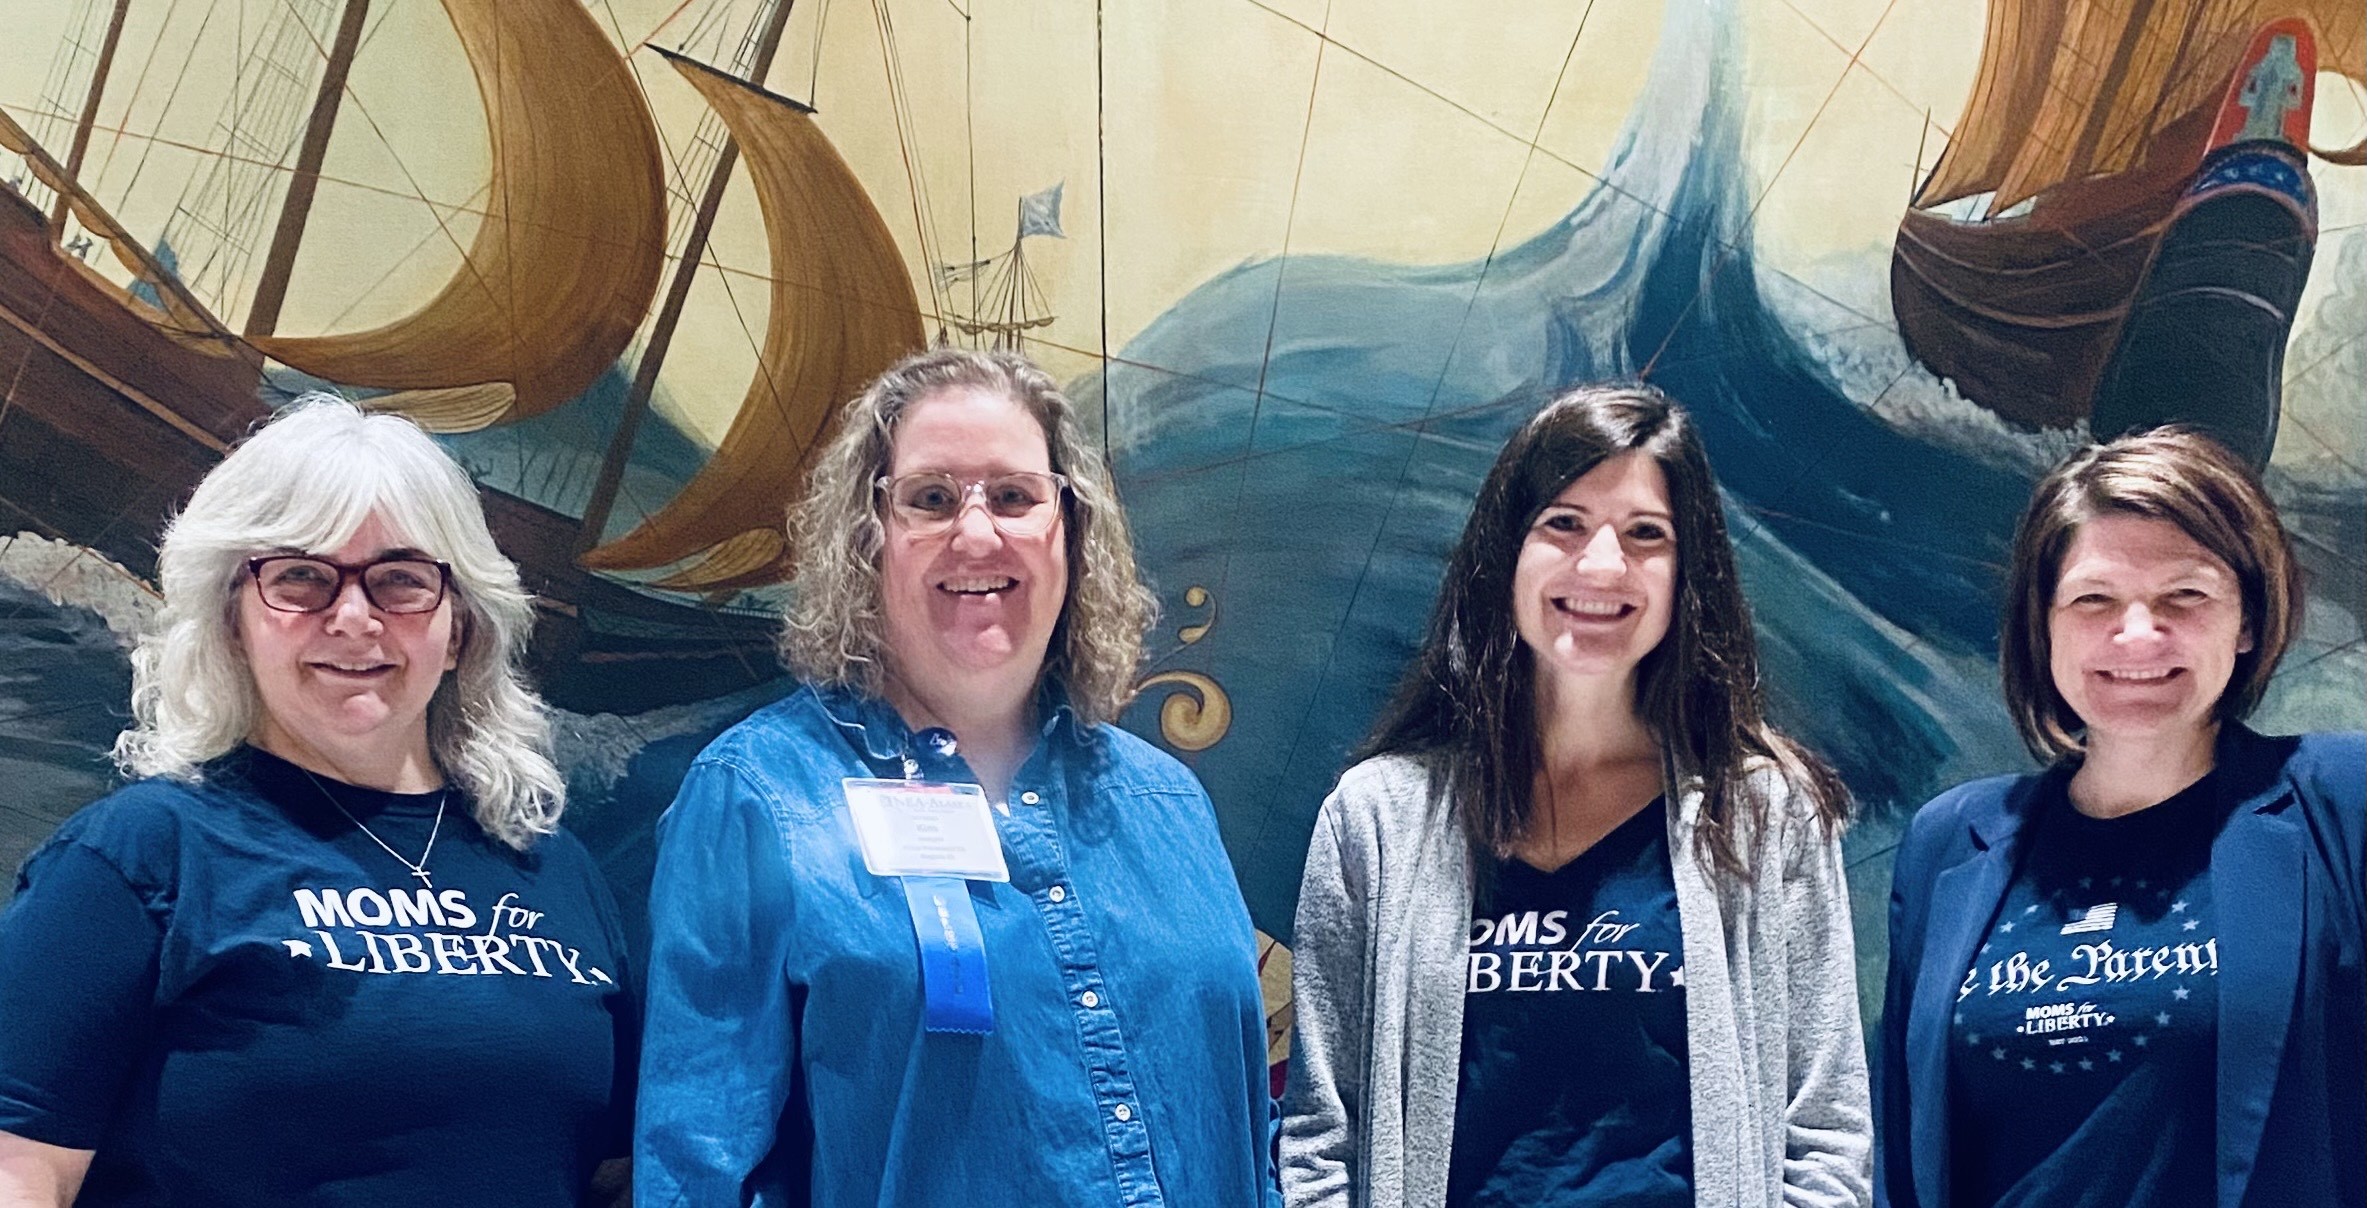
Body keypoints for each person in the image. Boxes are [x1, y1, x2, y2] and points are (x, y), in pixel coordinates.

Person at [633, 348, 1279, 1206]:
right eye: (931, 499)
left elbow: (1247, 1141)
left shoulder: (1166, 803)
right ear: (867, 537)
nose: (976, 534)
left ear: (1070, 529)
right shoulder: (757, 798)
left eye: (1013, 496)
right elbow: (698, 1170)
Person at [0, 396, 635, 1206]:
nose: (353, 618)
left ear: (460, 629)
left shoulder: (553, 868)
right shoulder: (140, 853)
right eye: (301, 577)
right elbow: (21, 1169)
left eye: (401, 581)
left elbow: (610, 1171)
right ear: (234, 621)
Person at [1282, 383, 1872, 1208]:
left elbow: (1824, 1133)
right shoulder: (1377, 818)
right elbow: (1322, 1135)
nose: (1601, 565)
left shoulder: (1761, 816)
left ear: (1689, 572)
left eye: (1645, 534)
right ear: (1505, 551)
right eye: (1562, 523)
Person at [1874, 427, 2364, 1208]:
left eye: (2184, 596)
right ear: (2044, 624)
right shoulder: (1951, 840)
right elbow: (1903, 1154)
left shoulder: (2340, 801)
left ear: (2245, 619)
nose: (2137, 634)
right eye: (2093, 599)